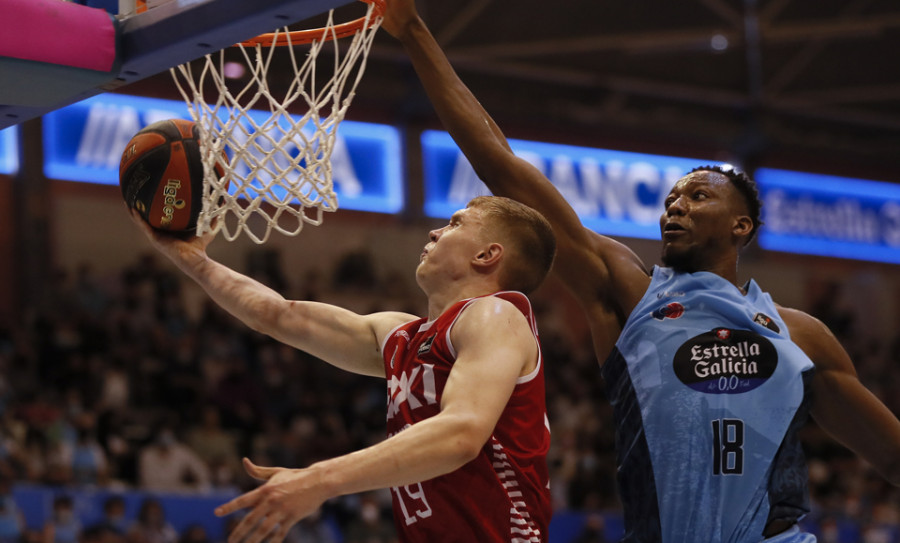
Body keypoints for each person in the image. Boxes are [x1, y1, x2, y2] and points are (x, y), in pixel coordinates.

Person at [380, 1, 900, 542]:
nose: (676, 205)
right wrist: (414, 31)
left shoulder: (802, 335)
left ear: (741, 226)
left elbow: (891, 454)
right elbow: (500, 165)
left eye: (699, 196)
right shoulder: (629, 292)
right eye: (672, 198)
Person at [128, 194, 557, 542]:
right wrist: (190, 257)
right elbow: (278, 315)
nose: (435, 229)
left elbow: (461, 434)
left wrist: (319, 479)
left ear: (487, 254)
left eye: (455, 223)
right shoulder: (404, 337)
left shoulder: (496, 316)